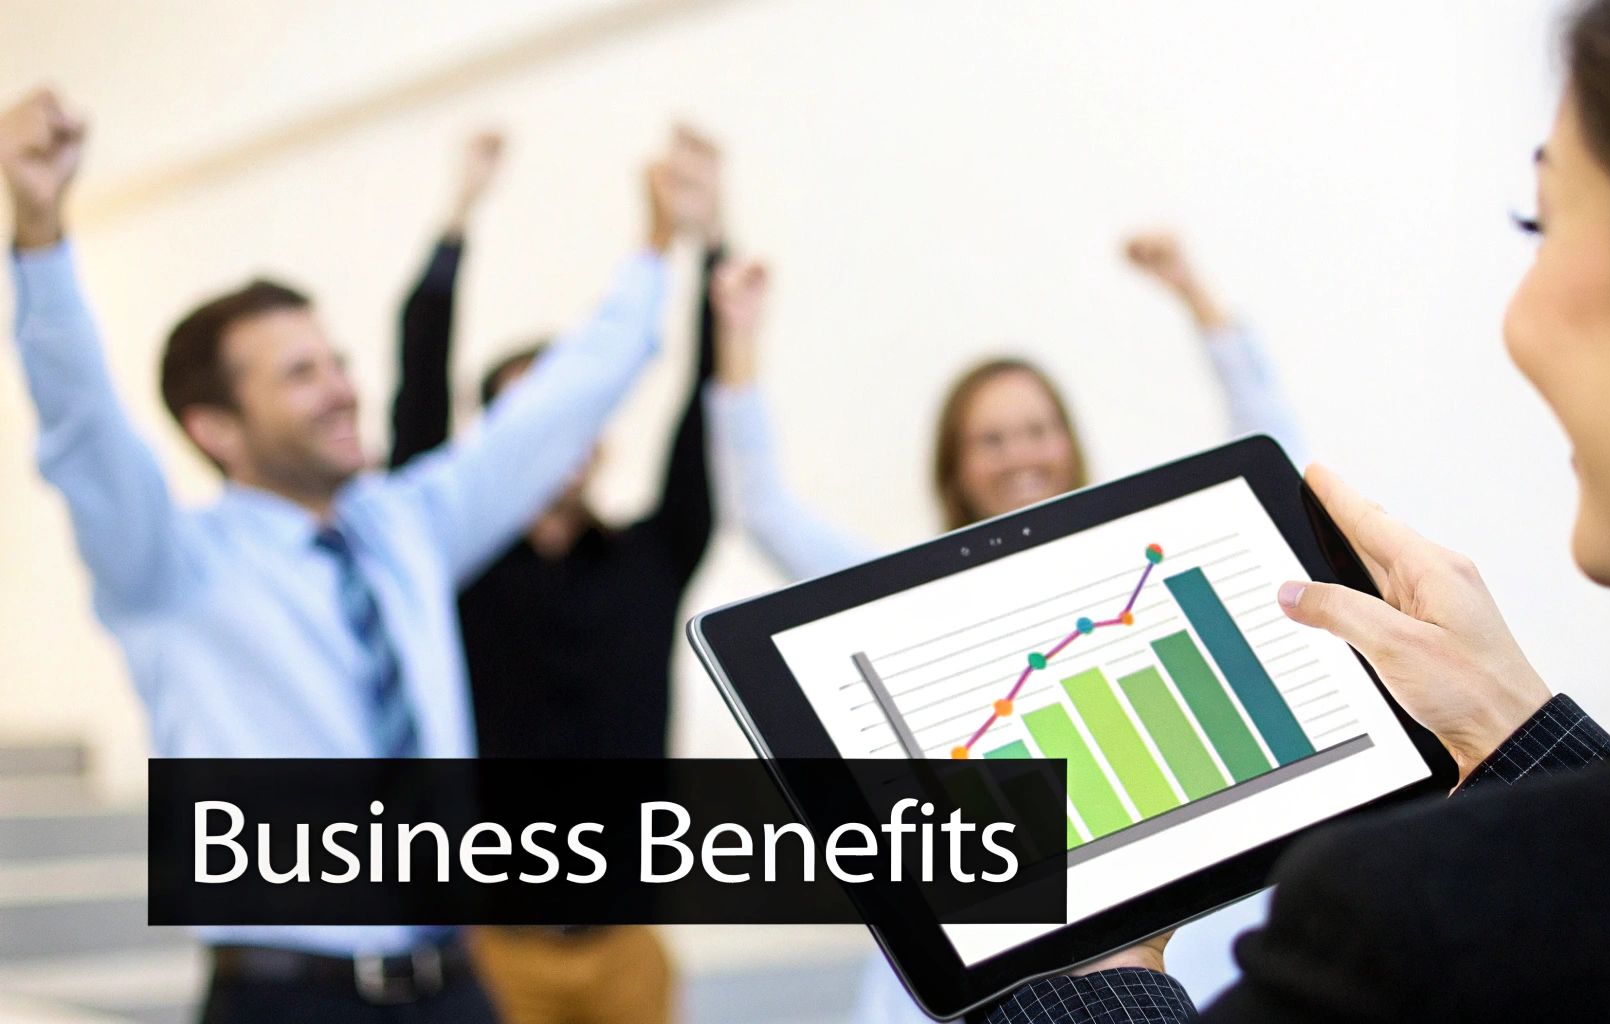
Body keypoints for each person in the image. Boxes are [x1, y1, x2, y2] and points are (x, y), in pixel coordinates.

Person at [980, 0, 1610, 1019]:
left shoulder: (1399, 925)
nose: (1513, 320)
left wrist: (1089, 979)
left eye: (1540, 223)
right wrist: (1519, 735)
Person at [0, 89, 714, 1022]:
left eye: (336, 360)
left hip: (455, 985)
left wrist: (659, 249)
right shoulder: (166, 564)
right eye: (300, 373)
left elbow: (560, 404)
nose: (343, 389)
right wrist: (41, 231)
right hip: (291, 997)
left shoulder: (408, 525)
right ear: (217, 427)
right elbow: (82, 425)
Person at [704, 236, 1308, 1020]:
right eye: (990, 439)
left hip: (1158, 944)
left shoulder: (1137, 575)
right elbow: (764, 512)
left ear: (1069, 440)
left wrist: (1199, 297)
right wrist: (738, 336)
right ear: (953, 467)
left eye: (1036, 429)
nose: (1020, 454)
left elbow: (1271, 458)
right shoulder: (906, 604)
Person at [386, 127, 726, 1024]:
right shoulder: (449, 568)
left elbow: (708, 412)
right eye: (526, 415)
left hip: (627, 946)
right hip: (494, 945)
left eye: (564, 412)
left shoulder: (652, 559)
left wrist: (710, 244)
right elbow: (417, 397)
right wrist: (459, 218)